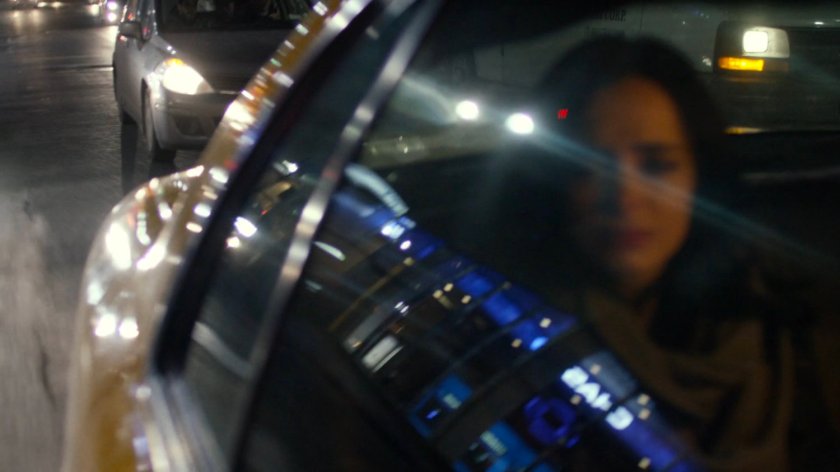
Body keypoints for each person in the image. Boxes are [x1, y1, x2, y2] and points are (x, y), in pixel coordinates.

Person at [489, 36, 837, 471]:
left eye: (657, 165)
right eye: (588, 166)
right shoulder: (509, 338)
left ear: (700, 178)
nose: (625, 198)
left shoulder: (789, 331)